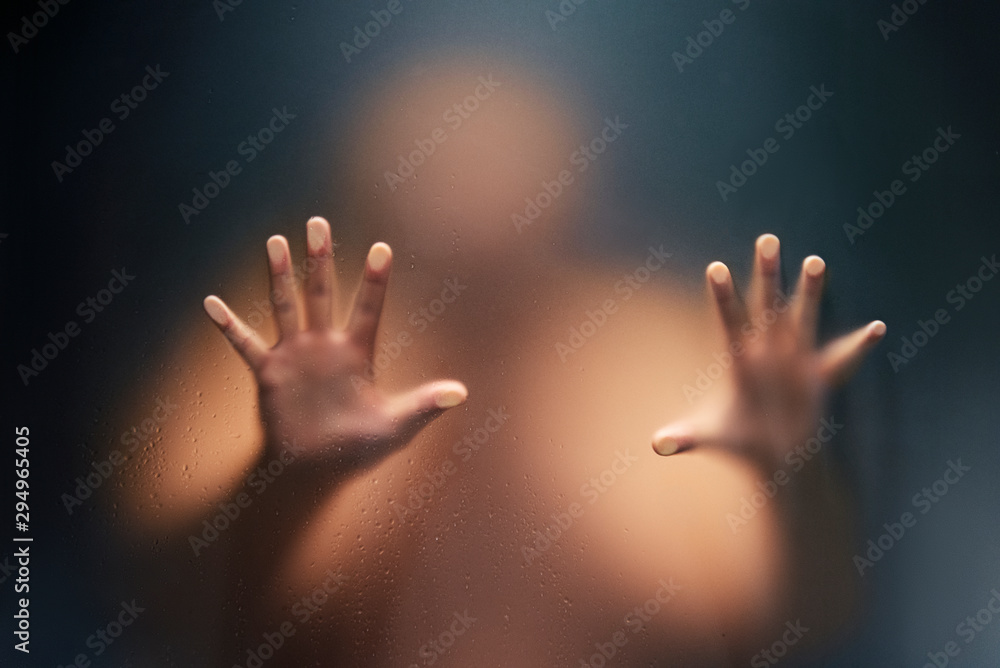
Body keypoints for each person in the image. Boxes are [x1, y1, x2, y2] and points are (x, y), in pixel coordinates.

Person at [203, 213, 885, 666]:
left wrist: (785, 477)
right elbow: (195, 608)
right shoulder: (315, 362)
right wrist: (289, 479)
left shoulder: (648, 360)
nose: (487, 274)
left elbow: (797, 619)